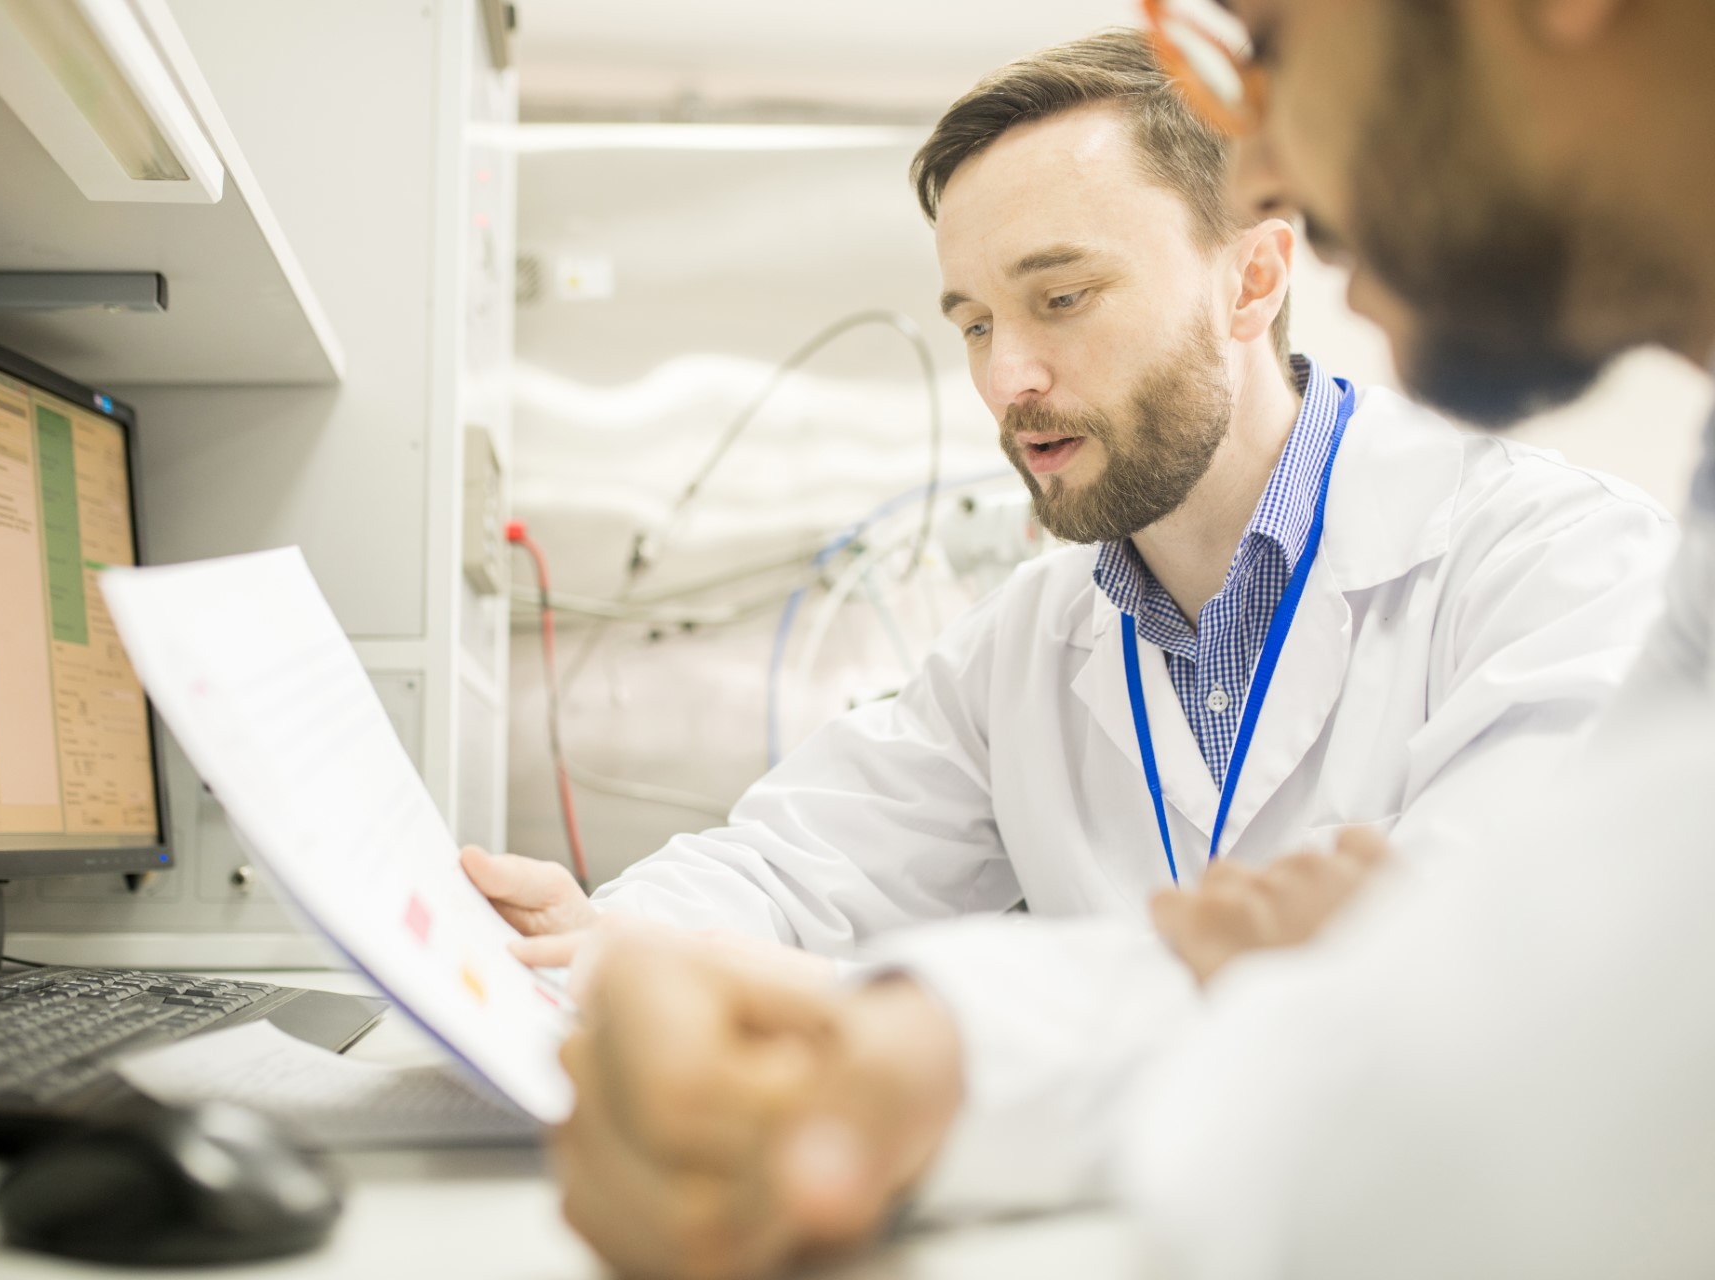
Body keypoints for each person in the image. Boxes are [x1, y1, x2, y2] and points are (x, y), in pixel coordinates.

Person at [523, 31, 1682, 1279]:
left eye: (1062, 297)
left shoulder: (1558, 567)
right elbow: (792, 866)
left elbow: (1462, 993)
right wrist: (606, 940)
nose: (1008, 377)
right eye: (973, 323)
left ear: (1253, 278)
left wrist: (937, 1042)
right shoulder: (1030, 636)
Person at [1111, 0, 1715, 1275]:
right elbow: (1539, 1006)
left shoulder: (1551, 540)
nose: (1261, 173)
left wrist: (1315, 1007)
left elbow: (1428, 1174)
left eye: (1265, 46)